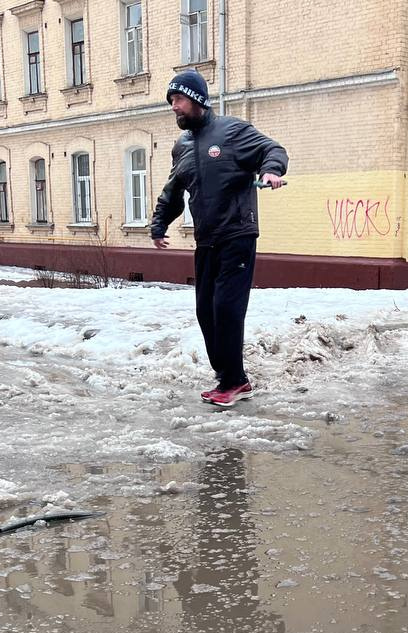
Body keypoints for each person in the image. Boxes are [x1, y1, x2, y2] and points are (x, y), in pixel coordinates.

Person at [151, 70, 288, 408]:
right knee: (205, 312)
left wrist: (271, 170)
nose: (174, 107)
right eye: (171, 101)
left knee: (226, 308)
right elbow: (174, 190)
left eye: (179, 99)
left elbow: (272, 149)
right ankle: (231, 378)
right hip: (207, 240)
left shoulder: (232, 131)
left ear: (197, 99)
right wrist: (159, 224)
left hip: (237, 233)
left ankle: (232, 381)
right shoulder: (181, 146)